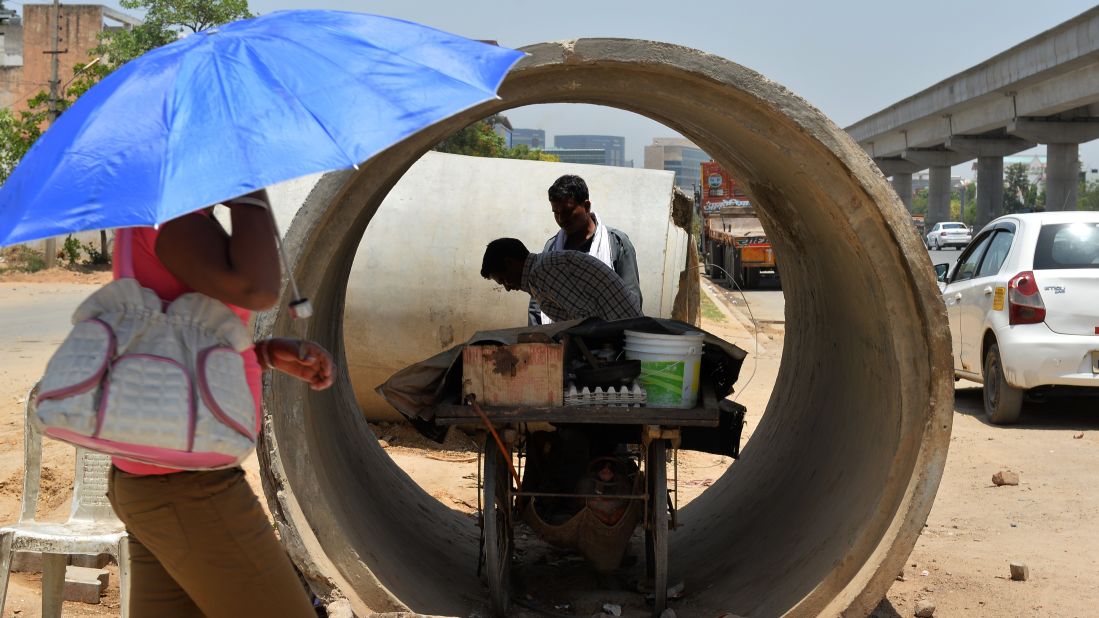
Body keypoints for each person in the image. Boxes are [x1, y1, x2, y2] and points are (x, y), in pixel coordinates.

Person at [105, 189, 334, 617]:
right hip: (186, 487)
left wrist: (261, 355)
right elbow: (257, 286)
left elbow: (177, 337)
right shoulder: (172, 218)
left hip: (153, 484)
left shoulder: (166, 218)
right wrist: (253, 197)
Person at [529, 174, 642, 324]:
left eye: (568, 211)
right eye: (556, 213)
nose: (561, 219)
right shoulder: (551, 248)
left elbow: (631, 301)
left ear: (587, 206)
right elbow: (538, 301)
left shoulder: (616, 244)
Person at [481, 237, 642, 323]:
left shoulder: (542, 272)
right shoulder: (543, 268)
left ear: (510, 263)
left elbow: (587, 322)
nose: (508, 288)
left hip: (628, 339)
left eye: (503, 280)